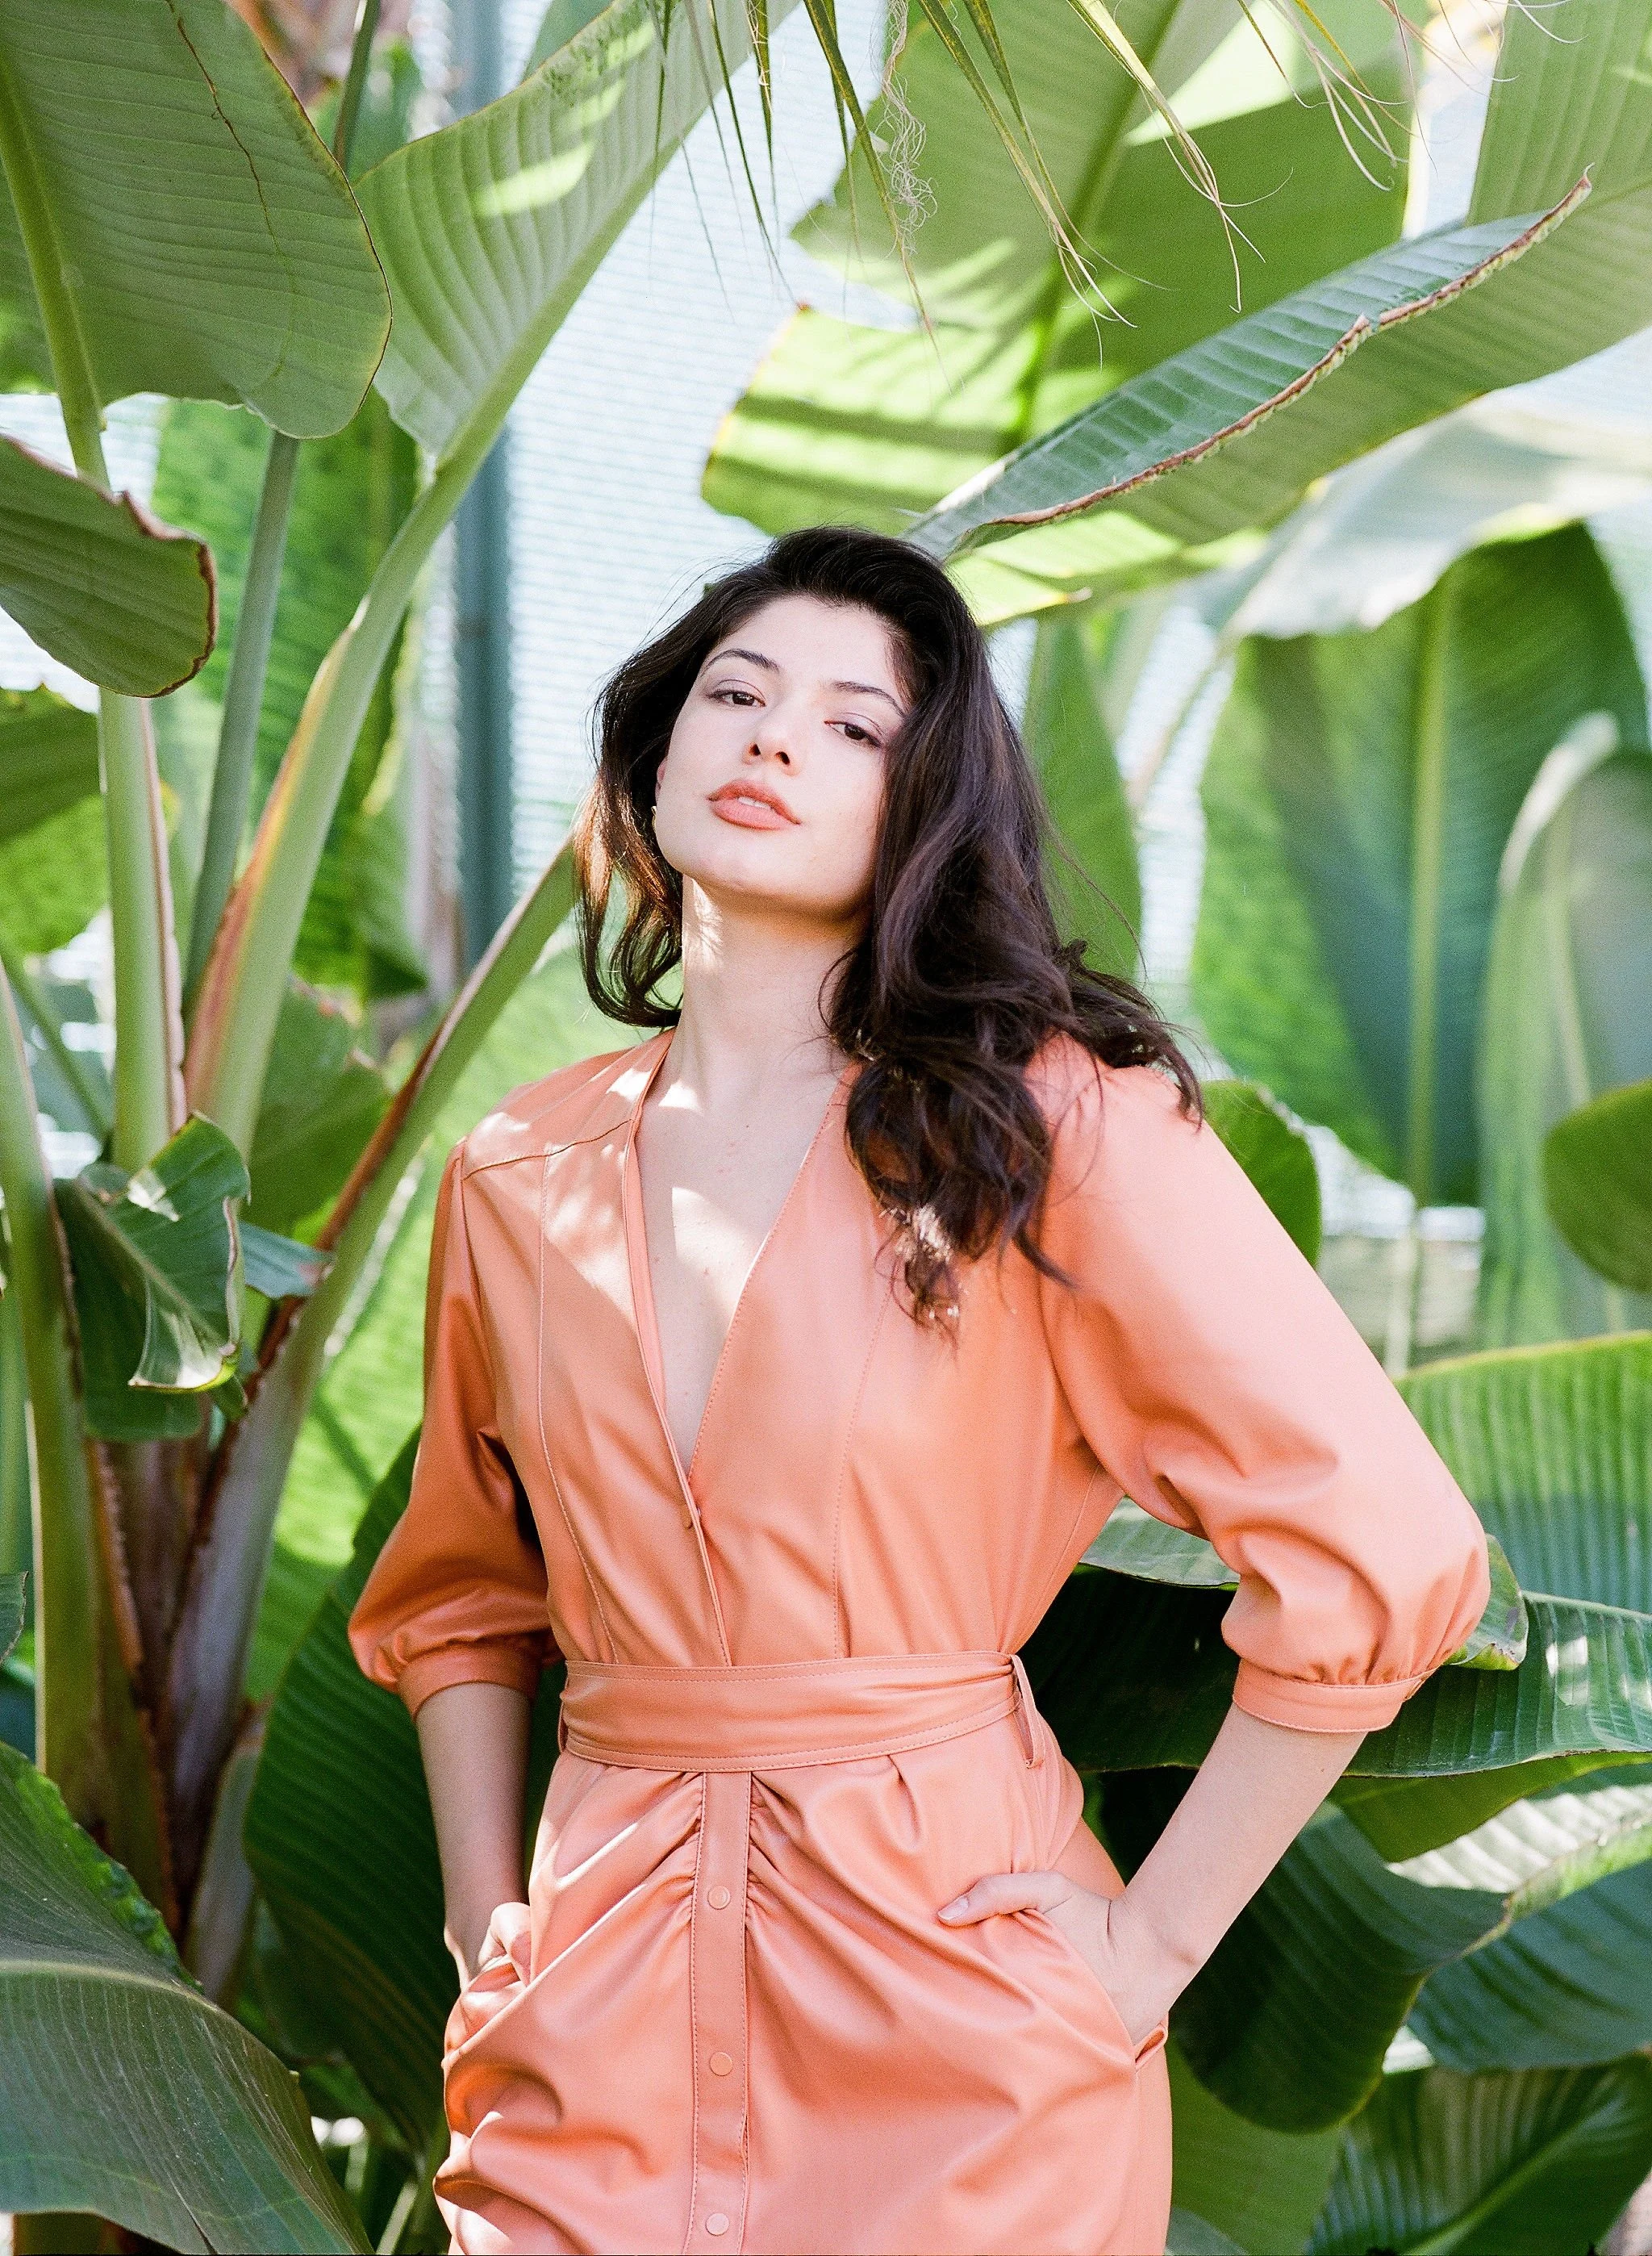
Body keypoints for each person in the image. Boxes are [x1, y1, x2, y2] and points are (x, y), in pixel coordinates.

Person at [348, 526, 1489, 2256]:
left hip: (952, 1993)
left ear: (927, 809)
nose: (773, 738)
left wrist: (1149, 1950)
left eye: (852, 725)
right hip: (589, 2000)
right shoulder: (517, 1172)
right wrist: (481, 1920)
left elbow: (1379, 1547)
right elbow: (458, 1595)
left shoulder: (1051, 1132)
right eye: (733, 694)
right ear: (654, 749)